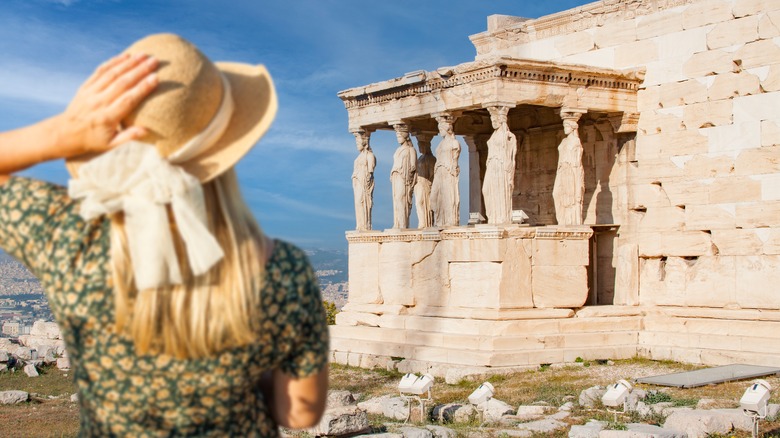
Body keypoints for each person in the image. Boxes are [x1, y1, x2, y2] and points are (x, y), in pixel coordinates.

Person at [0, 33, 328, 436]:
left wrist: (60, 133)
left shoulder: (66, 237)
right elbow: (299, 414)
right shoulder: (284, 270)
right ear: (224, 148)